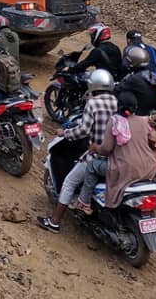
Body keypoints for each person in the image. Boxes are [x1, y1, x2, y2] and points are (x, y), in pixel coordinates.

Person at [38, 69, 118, 232]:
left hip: (96, 155)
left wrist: (65, 133)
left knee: (69, 182)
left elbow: (83, 131)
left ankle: (54, 222)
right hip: (116, 156)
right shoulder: (117, 102)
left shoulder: (93, 103)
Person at [77, 91, 156, 213]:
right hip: (149, 168)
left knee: (92, 166)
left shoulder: (115, 121)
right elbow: (153, 140)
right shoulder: (144, 121)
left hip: (126, 169)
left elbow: (106, 149)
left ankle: (84, 202)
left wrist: (95, 148)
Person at [115, 46, 156, 117]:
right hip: (155, 111)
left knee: (123, 95)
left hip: (142, 113)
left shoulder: (135, 79)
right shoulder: (152, 75)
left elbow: (117, 90)